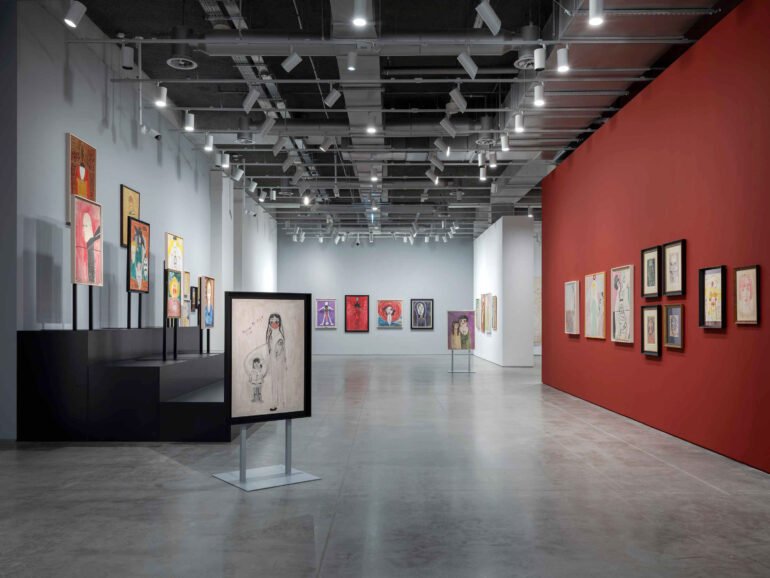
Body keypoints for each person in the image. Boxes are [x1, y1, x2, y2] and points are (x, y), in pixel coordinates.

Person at [266, 313, 287, 412]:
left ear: (279, 323)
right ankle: (277, 402)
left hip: (279, 364)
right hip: (273, 363)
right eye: (271, 322)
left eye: (276, 322)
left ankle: (278, 403)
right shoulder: (271, 335)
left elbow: (277, 352)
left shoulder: (279, 337)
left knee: (278, 383)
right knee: (274, 383)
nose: (274, 324)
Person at [81, 211, 101, 284]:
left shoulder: (91, 242)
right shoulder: (90, 241)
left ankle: (92, 279)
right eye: (83, 226)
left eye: (86, 226)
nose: (83, 229)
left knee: (91, 265)